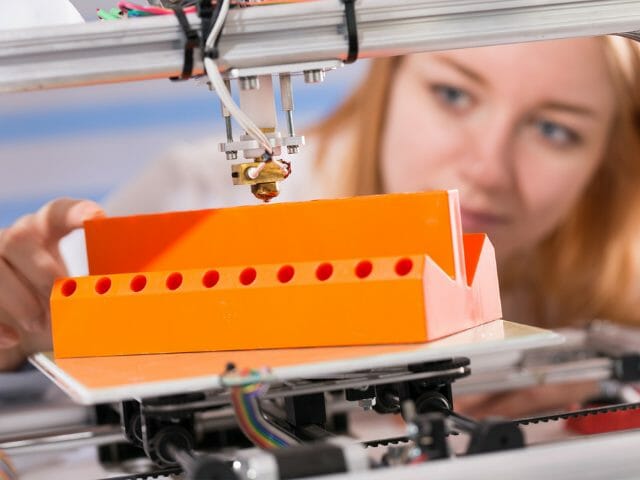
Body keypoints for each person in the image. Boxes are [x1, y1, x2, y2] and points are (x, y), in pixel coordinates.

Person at [2, 36, 640, 417]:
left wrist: (603, 404)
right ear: (388, 81)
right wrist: (18, 331)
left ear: (609, 159)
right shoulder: (191, 202)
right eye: (453, 94)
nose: (488, 167)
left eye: (555, 129)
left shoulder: (614, 305)